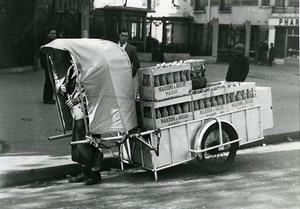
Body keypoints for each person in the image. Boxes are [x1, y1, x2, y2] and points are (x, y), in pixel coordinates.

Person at [54, 51, 103, 185]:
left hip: (89, 112)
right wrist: (65, 89)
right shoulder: (72, 69)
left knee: (90, 143)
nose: (71, 59)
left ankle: (95, 174)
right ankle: (85, 172)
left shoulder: (89, 71)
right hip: (77, 112)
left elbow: (92, 91)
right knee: (79, 144)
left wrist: (76, 100)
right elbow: (70, 87)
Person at [40, 28, 57, 104]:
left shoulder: (51, 42)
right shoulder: (48, 43)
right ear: (48, 34)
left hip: (49, 65)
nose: (54, 35)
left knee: (49, 81)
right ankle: (47, 98)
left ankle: (48, 97)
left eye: (55, 33)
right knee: (49, 81)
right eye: (52, 33)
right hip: (48, 65)